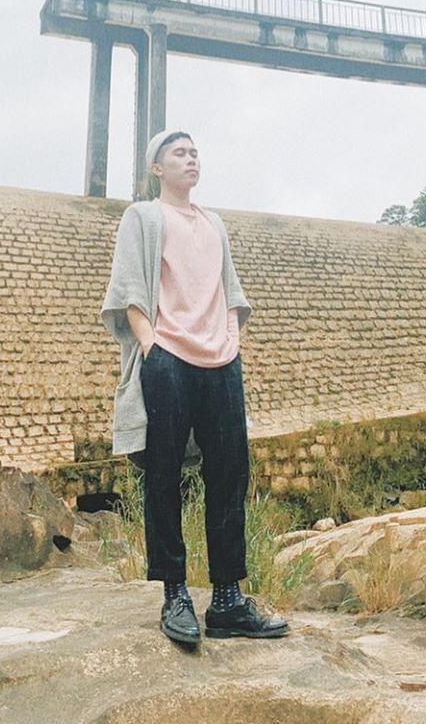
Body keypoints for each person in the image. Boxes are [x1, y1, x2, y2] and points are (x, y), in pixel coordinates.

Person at [101, 128, 288, 645]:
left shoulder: (214, 223)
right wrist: (150, 346)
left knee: (229, 474)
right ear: (157, 168)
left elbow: (229, 288)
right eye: (179, 153)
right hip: (168, 357)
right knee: (163, 475)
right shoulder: (143, 217)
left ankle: (227, 600)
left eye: (194, 153)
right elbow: (129, 288)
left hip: (221, 360)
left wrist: (231, 338)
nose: (191, 159)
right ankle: (175, 594)